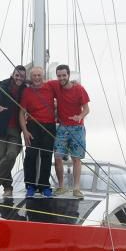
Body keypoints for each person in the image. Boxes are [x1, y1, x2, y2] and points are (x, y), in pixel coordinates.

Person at [0, 65, 26, 198]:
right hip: (1, 128)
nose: (19, 78)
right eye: (17, 75)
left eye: (22, 76)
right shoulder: (3, 87)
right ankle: (8, 189)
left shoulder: (25, 90)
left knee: (11, 155)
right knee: (1, 157)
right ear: (12, 75)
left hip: (15, 130)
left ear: (24, 78)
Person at [51, 64, 90, 197]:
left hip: (77, 128)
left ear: (68, 75)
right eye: (59, 75)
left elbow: (87, 109)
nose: (61, 78)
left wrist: (80, 116)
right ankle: (61, 186)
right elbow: (39, 83)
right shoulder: (55, 85)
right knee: (57, 156)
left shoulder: (79, 89)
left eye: (64, 75)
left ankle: (76, 188)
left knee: (76, 158)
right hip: (62, 127)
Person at [20, 66, 57, 197]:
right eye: (34, 75)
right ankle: (30, 185)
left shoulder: (50, 87)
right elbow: (22, 112)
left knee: (46, 156)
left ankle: (44, 186)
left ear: (43, 76)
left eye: (39, 75)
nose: (36, 78)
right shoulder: (27, 92)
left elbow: (65, 85)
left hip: (49, 125)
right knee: (31, 154)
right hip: (33, 125)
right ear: (31, 77)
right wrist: (24, 131)